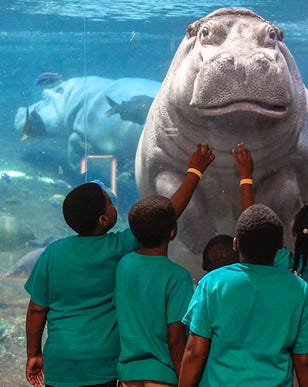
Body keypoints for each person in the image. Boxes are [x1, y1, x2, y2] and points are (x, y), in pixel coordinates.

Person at [24, 144, 215, 387]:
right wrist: (194, 172)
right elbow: (166, 215)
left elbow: (37, 310)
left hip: (61, 364)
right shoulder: (117, 249)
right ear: (103, 220)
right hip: (103, 365)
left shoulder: (52, 253)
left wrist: (33, 353)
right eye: (110, 203)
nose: (114, 205)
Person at [232, 142, 308, 387]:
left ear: (295, 237)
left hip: (284, 348)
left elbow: (253, 225)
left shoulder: (285, 264)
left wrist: (246, 177)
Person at [179, 204, 308, 386]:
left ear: (235, 244)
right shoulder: (299, 289)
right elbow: (305, 361)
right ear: (280, 245)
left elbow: (195, 351)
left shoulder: (212, 284)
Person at [115, 195, 194, 387]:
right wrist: (185, 380)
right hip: (163, 375)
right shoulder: (178, 276)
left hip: (128, 375)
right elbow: (175, 339)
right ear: (173, 231)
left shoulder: (123, 265)